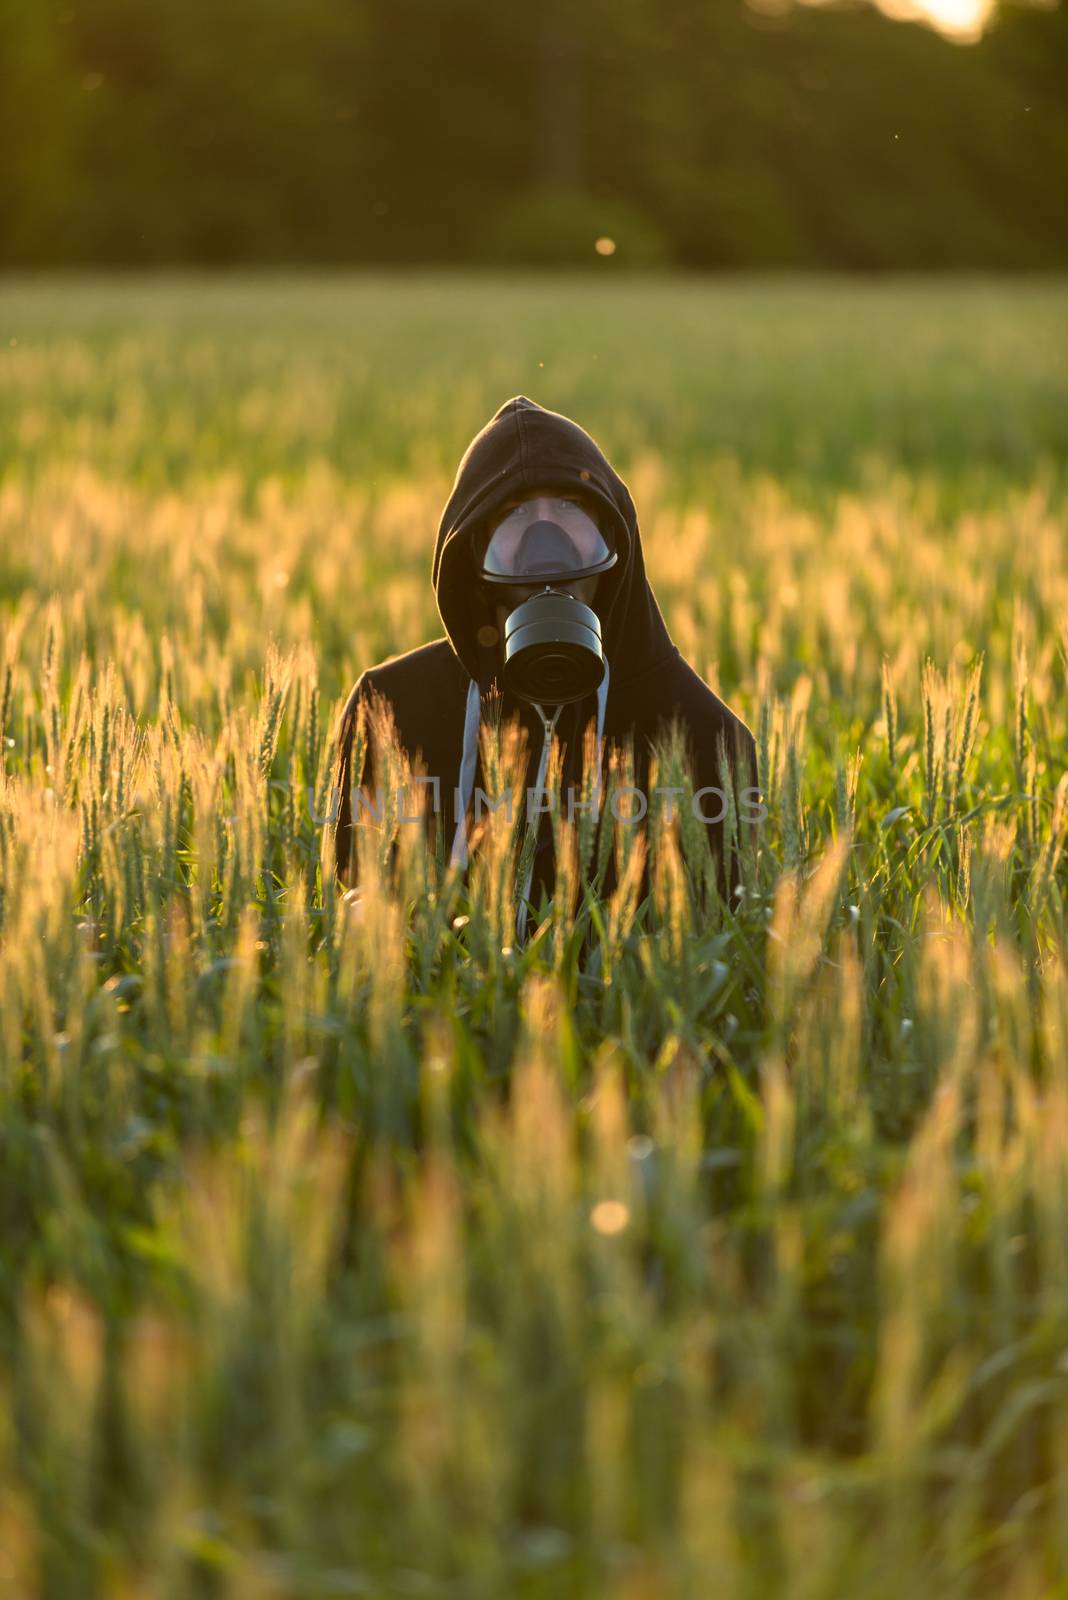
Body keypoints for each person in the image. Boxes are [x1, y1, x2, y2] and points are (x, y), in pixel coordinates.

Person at [326, 394, 759, 936]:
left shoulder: (706, 735)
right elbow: (353, 904)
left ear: (615, 535)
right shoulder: (390, 712)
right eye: (515, 514)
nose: (544, 538)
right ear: (473, 547)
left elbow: (716, 929)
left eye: (571, 509)